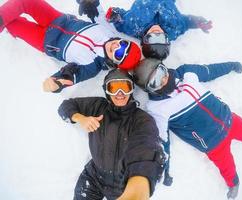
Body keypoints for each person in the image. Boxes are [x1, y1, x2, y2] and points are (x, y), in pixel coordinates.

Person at [133, 58, 242, 199]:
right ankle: (234, 183)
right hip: (213, 143)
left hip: (229, 119)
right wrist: (164, 168)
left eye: (161, 72)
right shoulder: (157, 109)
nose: (164, 79)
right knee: (227, 167)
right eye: (155, 81)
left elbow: (210, 71)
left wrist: (231, 66)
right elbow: (162, 142)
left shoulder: (186, 73)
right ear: (148, 89)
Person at [58, 69, 165, 200]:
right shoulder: (97, 107)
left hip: (123, 185)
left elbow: (144, 150)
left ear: (131, 90)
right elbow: (66, 106)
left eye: (125, 87)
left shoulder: (142, 120)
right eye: (114, 88)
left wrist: (137, 189)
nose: (120, 93)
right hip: (94, 176)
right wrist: (80, 118)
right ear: (107, 91)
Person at [0, 0, 141, 93]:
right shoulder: (109, 31)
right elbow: (97, 12)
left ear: (114, 63)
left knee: (11, 23)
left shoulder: (91, 67)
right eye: (123, 44)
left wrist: (56, 83)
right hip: (57, 19)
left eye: (119, 54)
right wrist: (90, 3)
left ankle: (11, 27)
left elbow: (70, 76)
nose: (117, 46)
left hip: (46, 41)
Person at [77, 0, 212, 60]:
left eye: (151, 38)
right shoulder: (174, 28)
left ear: (144, 40)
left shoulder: (133, 26)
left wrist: (114, 15)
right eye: (161, 37)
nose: (155, 33)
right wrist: (199, 22)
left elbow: (120, 17)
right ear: (167, 39)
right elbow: (187, 21)